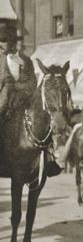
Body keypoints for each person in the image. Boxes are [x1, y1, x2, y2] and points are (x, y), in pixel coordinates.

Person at [0, 23, 62, 176]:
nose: (5, 44)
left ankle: (49, 160)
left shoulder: (27, 61)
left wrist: (17, 86)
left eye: (8, 41)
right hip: (4, 102)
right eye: (3, 41)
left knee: (43, 123)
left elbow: (31, 82)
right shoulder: (1, 60)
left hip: (23, 102)